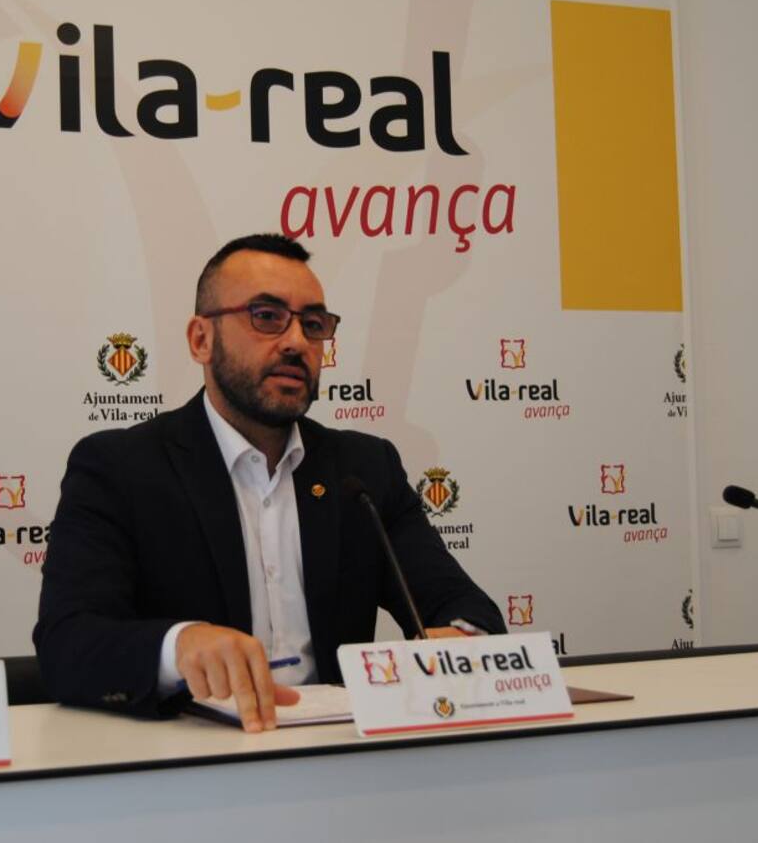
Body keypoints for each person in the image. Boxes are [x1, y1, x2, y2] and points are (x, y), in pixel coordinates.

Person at [34, 234, 505, 731]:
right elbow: (68, 645)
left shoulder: (364, 469)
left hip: (342, 754)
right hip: (193, 759)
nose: (296, 342)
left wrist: (461, 643)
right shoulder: (119, 467)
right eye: (266, 316)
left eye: (313, 325)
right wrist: (180, 646)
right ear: (201, 339)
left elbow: (464, 606)